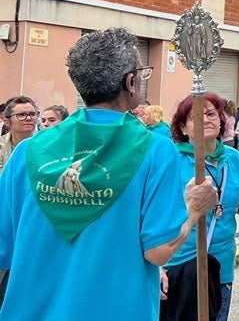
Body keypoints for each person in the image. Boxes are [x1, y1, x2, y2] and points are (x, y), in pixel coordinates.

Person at [0, 27, 218, 320]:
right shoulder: (154, 150)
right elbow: (159, 251)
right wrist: (194, 210)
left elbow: (4, 248)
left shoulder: (27, 151)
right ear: (130, 81)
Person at [162, 93, 239, 321]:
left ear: (221, 120)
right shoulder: (170, 160)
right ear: (183, 128)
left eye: (211, 114)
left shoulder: (232, 158)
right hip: (181, 266)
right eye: (196, 117)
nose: (206, 120)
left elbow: (238, 204)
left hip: (222, 266)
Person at [0, 97, 38, 175]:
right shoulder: (1, 146)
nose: (28, 118)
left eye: (32, 114)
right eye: (21, 115)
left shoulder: (45, 145)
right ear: (7, 122)